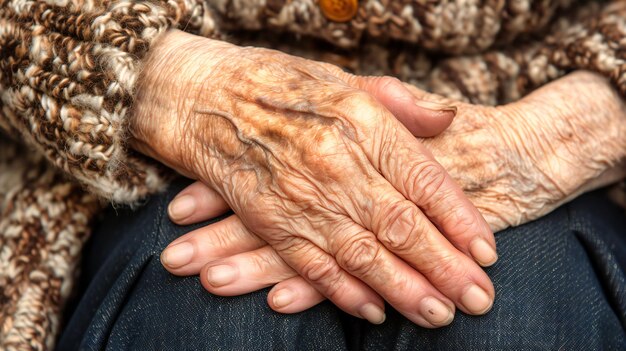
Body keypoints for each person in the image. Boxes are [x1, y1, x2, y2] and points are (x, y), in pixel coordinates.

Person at [0, 1, 624, 350]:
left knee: (519, 317)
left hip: (549, 118)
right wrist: (166, 81)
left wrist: (562, 132)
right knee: (207, 317)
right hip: (135, 142)